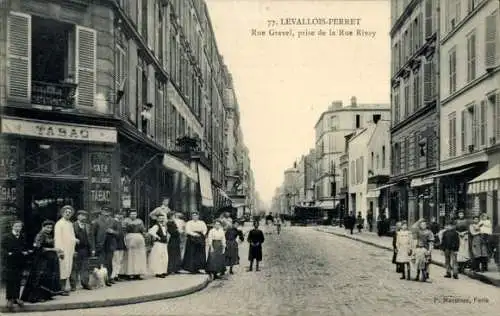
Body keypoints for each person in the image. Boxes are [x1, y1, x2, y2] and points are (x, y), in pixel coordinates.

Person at [21, 220, 64, 303]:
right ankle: (37, 297)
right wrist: (54, 249)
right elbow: (39, 248)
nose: (49, 229)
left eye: (51, 228)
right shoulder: (40, 235)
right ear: (43, 227)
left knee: (48, 277)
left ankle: (46, 295)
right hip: (41, 260)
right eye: (47, 227)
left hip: (49, 259)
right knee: (40, 277)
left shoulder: (48, 235)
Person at [2, 220, 30, 309]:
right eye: (16, 226)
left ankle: (17, 298)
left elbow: (23, 247)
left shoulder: (22, 237)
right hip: (10, 262)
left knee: (18, 279)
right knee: (10, 279)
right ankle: (9, 299)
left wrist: (25, 252)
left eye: (20, 227)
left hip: (19, 261)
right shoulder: (7, 237)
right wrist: (7, 254)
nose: (18, 228)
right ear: (12, 227)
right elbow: (2, 249)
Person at [92, 207, 119, 286]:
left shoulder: (114, 221)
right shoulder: (96, 221)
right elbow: (93, 235)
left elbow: (119, 233)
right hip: (100, 245)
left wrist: (113, 231)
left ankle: (109, 278)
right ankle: (100, 280)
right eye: (104, 211)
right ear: (101, 212)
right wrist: (93, 247)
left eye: (108, 211)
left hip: (110, 245)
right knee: (101, 263)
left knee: (109, 262)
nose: (106, 213)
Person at [54, 205, 78, 294]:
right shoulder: (59, 224)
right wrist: (59, 250)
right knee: (62, 269)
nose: (68, 214)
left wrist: (74, 244)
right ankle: (62, 288)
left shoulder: (70, 224)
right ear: (62, 213)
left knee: (68, 268)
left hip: (70, 250)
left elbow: (71, 236)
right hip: (63, 249)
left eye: (69, 213)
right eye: (66, 212)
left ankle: (64, 287)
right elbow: (58, 238)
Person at [70, 210, 93, 291]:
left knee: (85, 267)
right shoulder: (72, 225)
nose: (84, 217)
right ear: (78, 216)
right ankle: (73, 285)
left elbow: (91, 238)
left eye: (85, 216)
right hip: (76, 249)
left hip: (85, 249)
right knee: (74, 267)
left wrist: (92, 249)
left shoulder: (88, 226)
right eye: (82, 215)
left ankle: (85, 283)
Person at [123, 209, 147, 280]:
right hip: (129, 238)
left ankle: (138, 272)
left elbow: (143, 230)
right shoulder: (126, 221)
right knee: (130, 256)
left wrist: (145, 235)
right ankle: (130, 273)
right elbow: (124, 231)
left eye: (134, 214)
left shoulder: (140, 221)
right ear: (129, 215)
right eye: (132, 214)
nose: (133, 215)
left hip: (139, 239)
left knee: (139, 256)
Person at [148, 211, 169, 278]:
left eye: (162, 218)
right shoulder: (156, 226)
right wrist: (157, 237)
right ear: (157, 219)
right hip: (158, 244)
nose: (161, 219)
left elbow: (166, 233)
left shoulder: (164, 226)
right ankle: (158, 272)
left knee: (165, 257)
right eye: (160, 218)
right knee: (158, 257)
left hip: (164, 243)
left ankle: (163, 271)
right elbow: (151, 231)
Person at [111, 211, 127, 281]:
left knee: (119, 260)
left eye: (121, 215)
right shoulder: (113, 222)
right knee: (115, 260)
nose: (120, 216)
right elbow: (111, 232)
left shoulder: (120, 223)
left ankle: (116, 275)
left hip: (121, 243)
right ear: (115, 215)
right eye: (118, 214)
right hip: (115, 244)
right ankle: (113, 276)